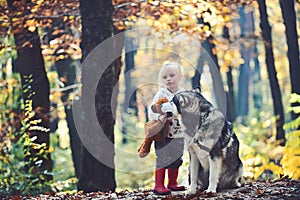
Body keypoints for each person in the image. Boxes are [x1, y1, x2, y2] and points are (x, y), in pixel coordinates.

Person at [148, 62, 186, 195]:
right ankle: (158, 185)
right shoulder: (161, 94)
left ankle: (172, 182)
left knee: (176, 157)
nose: (168, 79)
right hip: (163, 133)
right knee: (163, 156)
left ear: (180, 77)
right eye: (165, 77)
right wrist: (159, 117)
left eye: (172, 75)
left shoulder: (184, 94)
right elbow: (152, 110)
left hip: (179, 133)